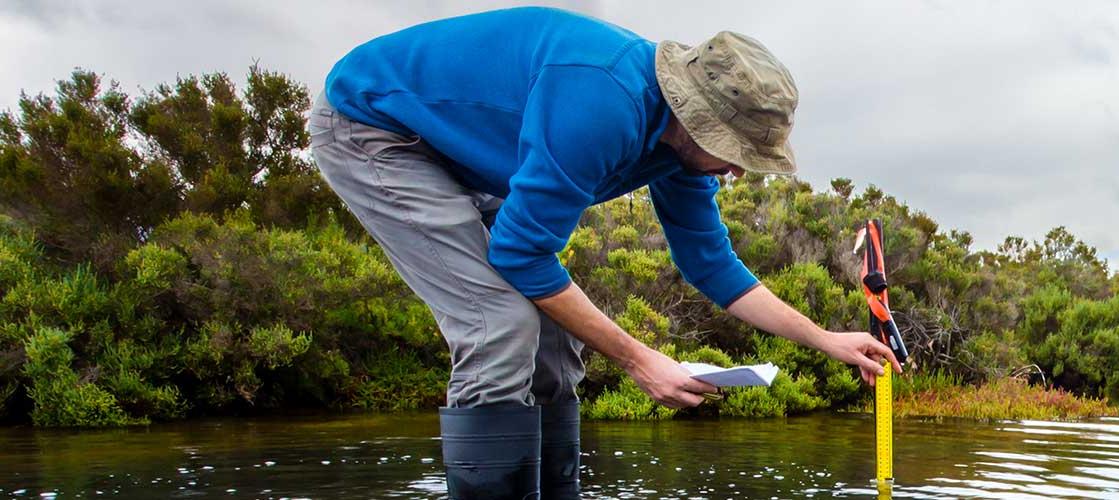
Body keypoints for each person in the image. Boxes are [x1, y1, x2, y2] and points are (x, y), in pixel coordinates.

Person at [309, 7, 899, 499]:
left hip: (472, 158)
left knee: (555, 335)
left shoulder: (680, 151)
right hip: (377, 131)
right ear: (694, 117)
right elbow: (520, 255)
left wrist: (824, 339)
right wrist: (640, 360)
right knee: (501, 324)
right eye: (733, 148)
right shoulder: (600, 103)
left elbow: (711, 264)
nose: (739, 167)